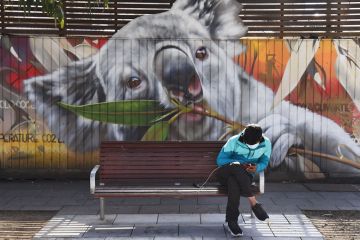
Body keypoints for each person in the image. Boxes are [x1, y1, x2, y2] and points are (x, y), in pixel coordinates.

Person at [216, 124, 271, 237]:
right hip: (225, 173)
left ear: (260, 139)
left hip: (244, 177)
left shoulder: (266, 143)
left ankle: (232, 221)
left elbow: (264, 162)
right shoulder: (234, 141)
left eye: (253, 144)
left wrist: (256, 168)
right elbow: (220, 160)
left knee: (234, 183)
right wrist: (240, 163)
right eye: (247, 143)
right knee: (236, 168)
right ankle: (253, 202)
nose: (250, 146)